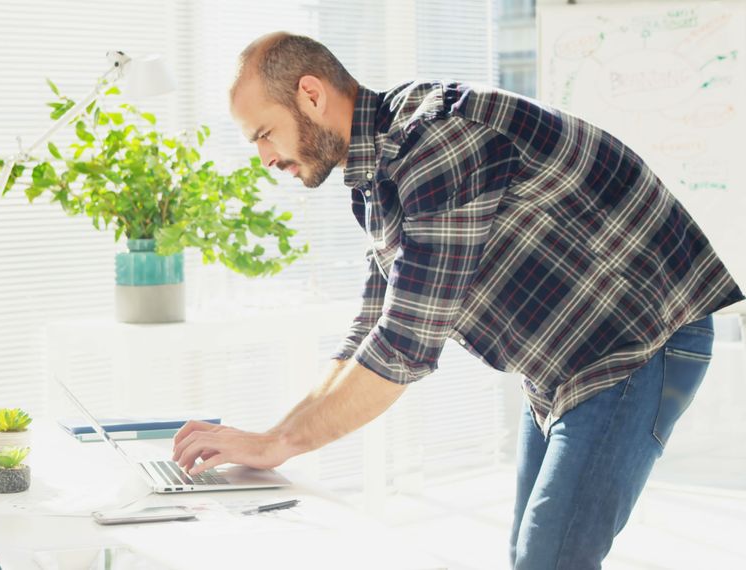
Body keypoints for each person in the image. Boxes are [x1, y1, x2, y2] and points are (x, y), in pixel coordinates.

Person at [171, 32, 744, 568]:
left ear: (311, 95)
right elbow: (373, 328)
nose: (265, 159)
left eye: (264, 134)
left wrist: (277, 444)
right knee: (532, 552)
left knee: (548, 557)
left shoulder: (438, 142)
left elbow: (406, 346)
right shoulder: (375, 181)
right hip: (562, 361)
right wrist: (271, 435)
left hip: (639, 343)